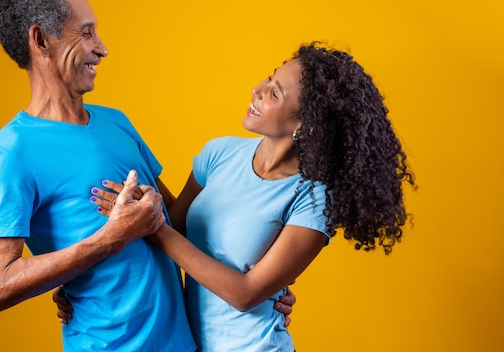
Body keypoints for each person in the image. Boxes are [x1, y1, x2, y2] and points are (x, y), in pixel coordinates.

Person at [0, 0, 294, 352]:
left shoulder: (116, 122)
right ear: (41, 40)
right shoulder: (12, 151)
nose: (102, 48)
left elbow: (176, 225)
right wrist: (108, 240)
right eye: (86, 32)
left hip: (184, 343)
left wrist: (262, 285)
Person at [71, 43, 416, 351]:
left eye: (275, 93)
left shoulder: (313, 200)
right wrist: (84, 287)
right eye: (268, 79)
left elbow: (245, 293)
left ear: (307, 126)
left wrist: (154, 227)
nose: (257, 90)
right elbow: (169, 232)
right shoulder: (218, 154)